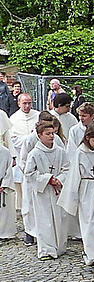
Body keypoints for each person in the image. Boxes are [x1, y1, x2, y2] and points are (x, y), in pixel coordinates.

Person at [57, 124, 94, 273]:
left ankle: (92, 253)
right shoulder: (80, 152)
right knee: (89, 223)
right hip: (86, 189)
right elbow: (75, 176)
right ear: (87, 138)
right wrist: (72, 197)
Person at [24, 119, 70, 259]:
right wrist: (47, 179)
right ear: (39, 135)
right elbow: (29, 173)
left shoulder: (60, 152)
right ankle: (46, 249)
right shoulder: (35, 154)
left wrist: (60, 179)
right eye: (47, 133)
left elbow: (67, 168)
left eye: (53, 133)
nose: (51, 136)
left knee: (60, 218)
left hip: (57, 191)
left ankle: (60, 246)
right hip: (42, 193)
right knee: (45, 220)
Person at [10, 93, 40, 244]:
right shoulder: (14, 119)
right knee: (25, 198)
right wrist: (29, 138)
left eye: (29, 103)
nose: (27, 106)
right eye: (24, 103)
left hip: (40, 163)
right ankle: (29, 231)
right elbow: (13, 139)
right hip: (23, 161)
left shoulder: (38, 116)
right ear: (19, 103)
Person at [0, 140, 14, 238]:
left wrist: (4, 184)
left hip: (2, 184)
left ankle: (4, 232)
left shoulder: (5, 152)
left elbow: (9, 170)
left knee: (4, 211)